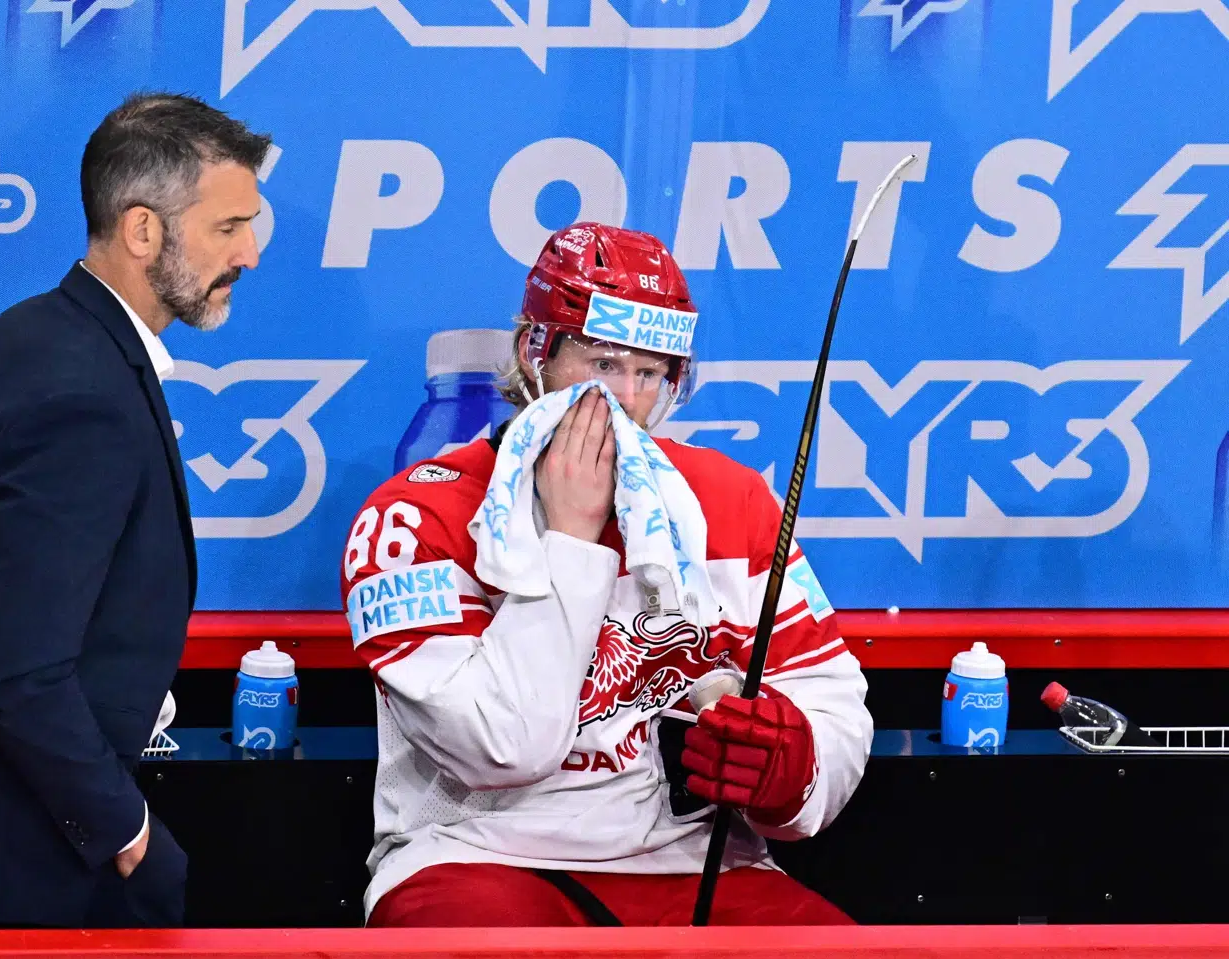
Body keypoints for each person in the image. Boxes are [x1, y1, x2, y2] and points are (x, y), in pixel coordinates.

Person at [339, 222, 872, 927]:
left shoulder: (734, 501)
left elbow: (833, 706)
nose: (625, 400)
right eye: (601, 365)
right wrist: (570, 537)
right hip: (474, 852)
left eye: (648, 373)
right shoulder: (414, 515)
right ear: (536, 354)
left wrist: (792, 766)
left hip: (689, 857)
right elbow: (503, 747)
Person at [0, 92, 271, 929]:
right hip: (16, 869)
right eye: (228, 227)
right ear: (142, 230)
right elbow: (20, 671)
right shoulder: (84, 394)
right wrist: (131, 834)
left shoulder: (36, 336)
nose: (251, 254)